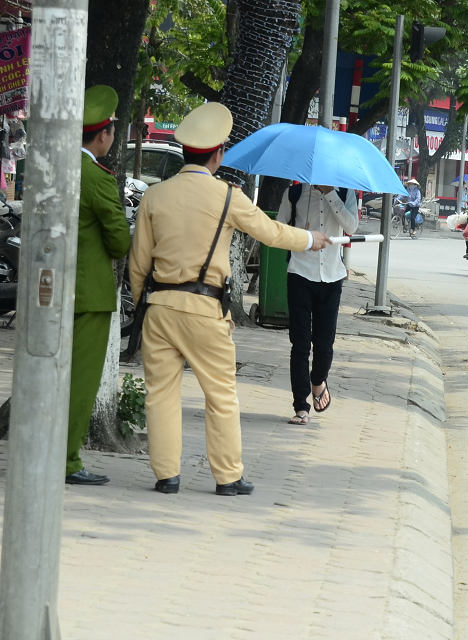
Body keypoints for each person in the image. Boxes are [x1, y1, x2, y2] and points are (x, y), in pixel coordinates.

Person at [130, 102, 332, 496]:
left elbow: (138, 264)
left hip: (159, 310)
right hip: (205, 311)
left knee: (161, 395)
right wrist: (310, 239)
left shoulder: (155, 196)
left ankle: (166, 476)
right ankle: (227, 477)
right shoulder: (227, 196)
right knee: (220, 395)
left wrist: (146, 306)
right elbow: (270, 232)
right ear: (219, 152)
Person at [65, 86, 133, 486]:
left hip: (50, 289)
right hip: (88, 294)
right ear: (103, 134)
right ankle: (68, 461)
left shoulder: (55, 164)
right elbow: (120, 241)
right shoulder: (97, 177)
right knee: (80, 381)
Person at [276, 182, 359, 425]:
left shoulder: (345, 193)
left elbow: (351, 227)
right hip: (300, 274)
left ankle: (318, 380)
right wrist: (301, 237)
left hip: (332, 277)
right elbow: (278, 229)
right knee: (300, 344)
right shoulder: (294, 193)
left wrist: (330, 193)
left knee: (324, 345)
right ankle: (301, 405)